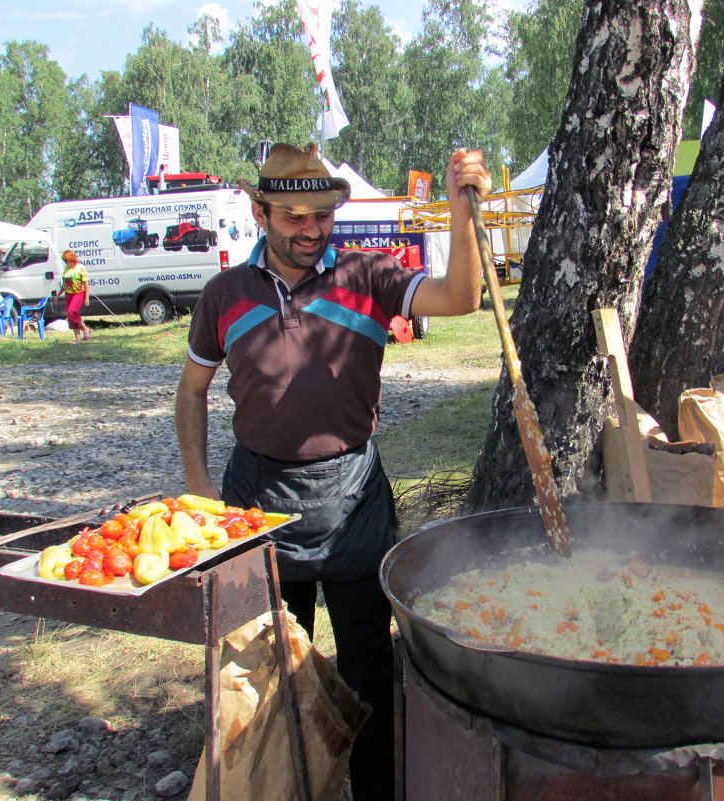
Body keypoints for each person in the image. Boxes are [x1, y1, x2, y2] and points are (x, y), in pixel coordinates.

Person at [175, 143, 491, 801]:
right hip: (255, 508)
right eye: (293, 215)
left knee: (369, 672)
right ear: (260, 212)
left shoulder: (367, 277)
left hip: (353, 505)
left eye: (322, 213)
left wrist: (463, 212)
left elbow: (461, 296)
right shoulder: (223, 295)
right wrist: (200, 486)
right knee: (263, 677)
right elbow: (192, 390)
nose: (311, 228)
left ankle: (375, 792)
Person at [59, 249, 92, 343]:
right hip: (68, 293)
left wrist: (86, 298)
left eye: (66, 260)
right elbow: (65, 284)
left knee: (72, 312)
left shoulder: (80, 267)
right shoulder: (66, 269)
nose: (65, 262)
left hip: (78, 293)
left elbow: (86, 284)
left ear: (71, 259)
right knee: (70, 317)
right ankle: (77, 339)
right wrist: (58, 295)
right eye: (64, 260)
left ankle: (85, 329)